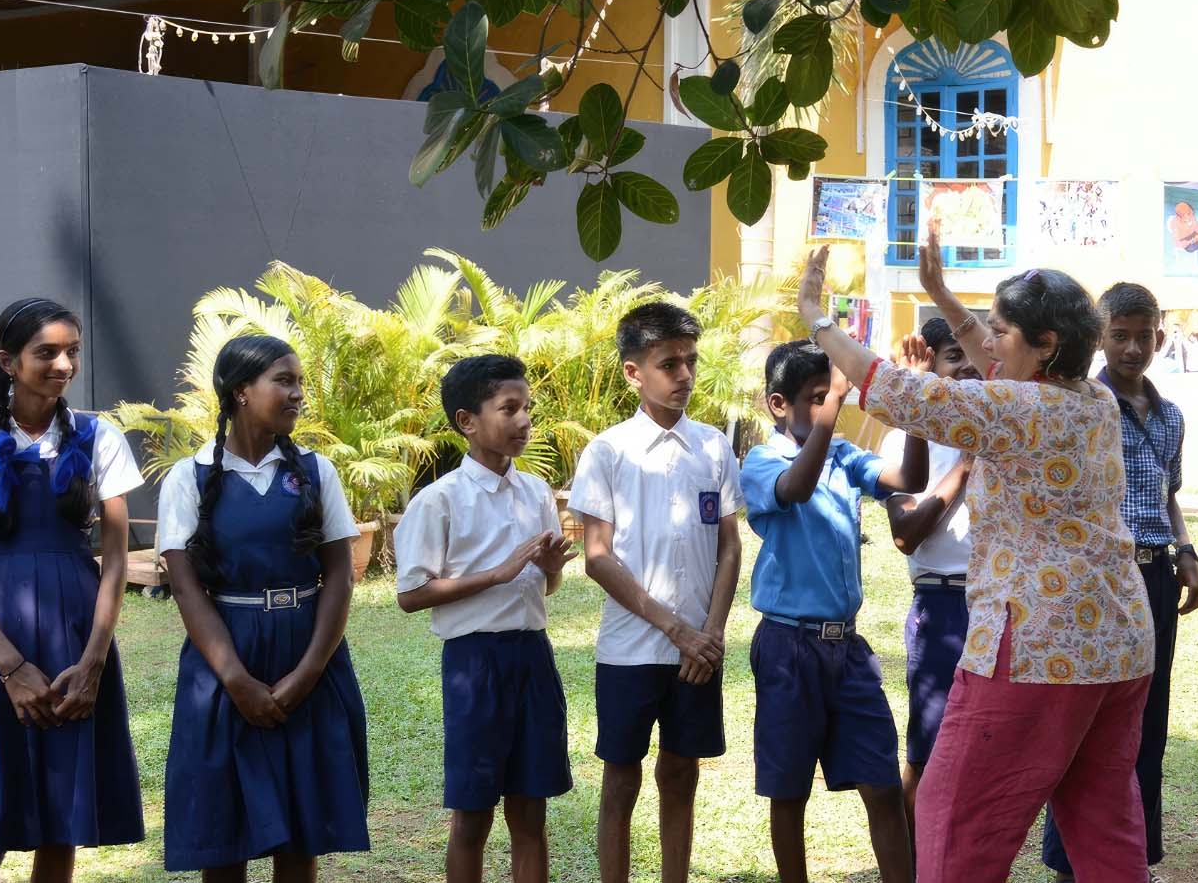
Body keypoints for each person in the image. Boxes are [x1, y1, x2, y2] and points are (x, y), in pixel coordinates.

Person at [798, 229, 1157, 883]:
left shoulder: (1017, 408)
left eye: (1001, 331)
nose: (987, 344)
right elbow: (1002, 368)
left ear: (1046, 345)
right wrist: (940, 294)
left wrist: (820, 322)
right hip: (1116, 646)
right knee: (1102, 818)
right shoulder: (1094, 397)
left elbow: (899, 392)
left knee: (953, 811)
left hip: (1039, 649)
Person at [0, 298, 145, 880]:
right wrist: (10, 667)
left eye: (72, 351)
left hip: (78, 637)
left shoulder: (100, 438)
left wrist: (94, 661)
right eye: (45, 352)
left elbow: (117, 557)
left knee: (62, 813)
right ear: (7, 361)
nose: (63, 364)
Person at [157, 334, 370, 878]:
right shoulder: (190, 477)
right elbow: (186, 590)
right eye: (284, 380)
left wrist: (309, 672)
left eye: (300, 381)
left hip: (309, 651)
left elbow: (341, 577)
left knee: (301, 838)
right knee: (224, 837)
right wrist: (235, 680)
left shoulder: (315, 473)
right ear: (240, 392)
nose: (298, 393)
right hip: (226, 663)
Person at [1039, 283, 1198, 883]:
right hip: (1097, 581)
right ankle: (1070, 864)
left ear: (1160, 337)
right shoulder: (1081, 403)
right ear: (1099, 338)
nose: (1134, 347)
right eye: (1121, 335)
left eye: (1145, 336)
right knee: (1085, 719)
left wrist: (1186, 552)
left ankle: (1134, 857)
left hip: (1155, 577)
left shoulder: (1170, 417)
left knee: (1147, 718)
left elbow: (1167, 497)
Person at [739, 338, 926, 883]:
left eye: (832, 396)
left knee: (884, 787)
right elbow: (794, 490)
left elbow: (908, 481)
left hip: (846, 647)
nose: (831, 406)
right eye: (817, 398)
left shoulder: (842, 455)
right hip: (788, 647)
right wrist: (833, 409)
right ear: (779, 405)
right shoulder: (762, 460)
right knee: (789, 792)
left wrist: (912, 404)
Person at [572, 303, 746, 883]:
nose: (684, 376)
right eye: (669, 363)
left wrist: (712, 635)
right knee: (621, 779)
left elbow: (729, 546)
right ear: (632, 373)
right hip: (630, 651)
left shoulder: (715, 448)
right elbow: (597, 557)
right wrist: (677, 630)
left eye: (690, 361)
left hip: (699, 652)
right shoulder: (607, 452)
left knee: (682, 774)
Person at [393, 355, 576, 883]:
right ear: (466, 421)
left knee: (531, 811)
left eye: (528, 409)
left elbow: (544, 587)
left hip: (533, 658)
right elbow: (410, 594)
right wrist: (495, 574)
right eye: (509, 409)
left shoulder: (537, 492)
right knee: (472, 816)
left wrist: (546, 570)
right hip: (475, 664)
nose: (523, 421)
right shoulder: (441, 500)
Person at [878, 318, 980, 828]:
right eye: (953, 355)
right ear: (932, 365)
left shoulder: (1005, 429)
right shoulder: (904, 441)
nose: (967, 367)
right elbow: (905, 535)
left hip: (1001, 604)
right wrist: (964, 466)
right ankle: (916, 864)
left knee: (989, 753)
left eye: (974, 355)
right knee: (929, 749)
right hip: (942, 607)